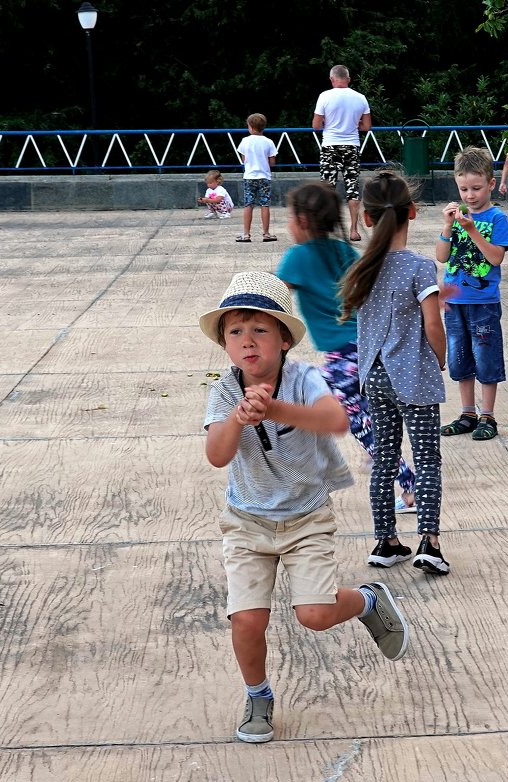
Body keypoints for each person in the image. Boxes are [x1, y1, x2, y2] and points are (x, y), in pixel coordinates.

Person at [199, 270, 410, 745]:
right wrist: (239, 417)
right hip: (246, 522)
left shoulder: (303, 378)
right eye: (236, 332)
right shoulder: (224, 391)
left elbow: (335, 419)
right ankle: (258, 694)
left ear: (284, 340)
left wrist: (275, 409)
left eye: (260, 330)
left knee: (314, 615)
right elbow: (217, 456)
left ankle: (368, 600)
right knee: (248, 619)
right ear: (224, 344)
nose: (248, 342)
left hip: (306, 519)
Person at [274, 181, 420, 522]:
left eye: (289, 218)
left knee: (354, 420)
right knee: (358, 410)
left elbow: (275, 296)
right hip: (366, 347)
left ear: (304, 221)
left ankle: (407, 483)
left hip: (343, 355)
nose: (288, 226)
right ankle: (379, 453)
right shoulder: (344, 251)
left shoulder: (297, 256)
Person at [339, 171, 450, 574]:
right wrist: (440, 358)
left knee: (384, 460)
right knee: (427, 459)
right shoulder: (419, 268)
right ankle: (429, 542)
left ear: (367, 219)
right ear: (413, 213)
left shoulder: (363, 267)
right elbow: (433, 325)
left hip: (375, 378)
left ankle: (385, 542)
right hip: (414, 376)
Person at [435, 145, 508, 441]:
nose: (469, 195)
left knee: (486, 357)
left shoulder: (496, 219)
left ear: (491, 185)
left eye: (476, 188)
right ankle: (467, 412)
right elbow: (442, 257)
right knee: (460, 357)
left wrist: (472, 231)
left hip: (483, 302)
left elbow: (495, 258)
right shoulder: (456, 218)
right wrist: (448, 225)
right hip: (454, 302)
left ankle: (487, 415)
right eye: (464, 188)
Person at [312, 64, 372, 242]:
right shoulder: (360, 98)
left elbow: (316, 125)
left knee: (327, 189)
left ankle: (327, 229)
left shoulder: (325, 96)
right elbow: (367, 126)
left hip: (330, 145)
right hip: (352, 146)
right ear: (348, 79)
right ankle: (354, 230)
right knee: (352, 189)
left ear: (332, 79)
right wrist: (354, 125)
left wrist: (328, 124)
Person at [235, 113, 279, 243]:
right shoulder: (269, 142)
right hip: (264, 177)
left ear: (251, 127)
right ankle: (266, 234)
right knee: (265, 204)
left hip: (249, 177)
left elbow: (244, 160)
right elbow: (272, 163)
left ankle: (246, 234)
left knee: (248, 204)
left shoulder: (245, 141)